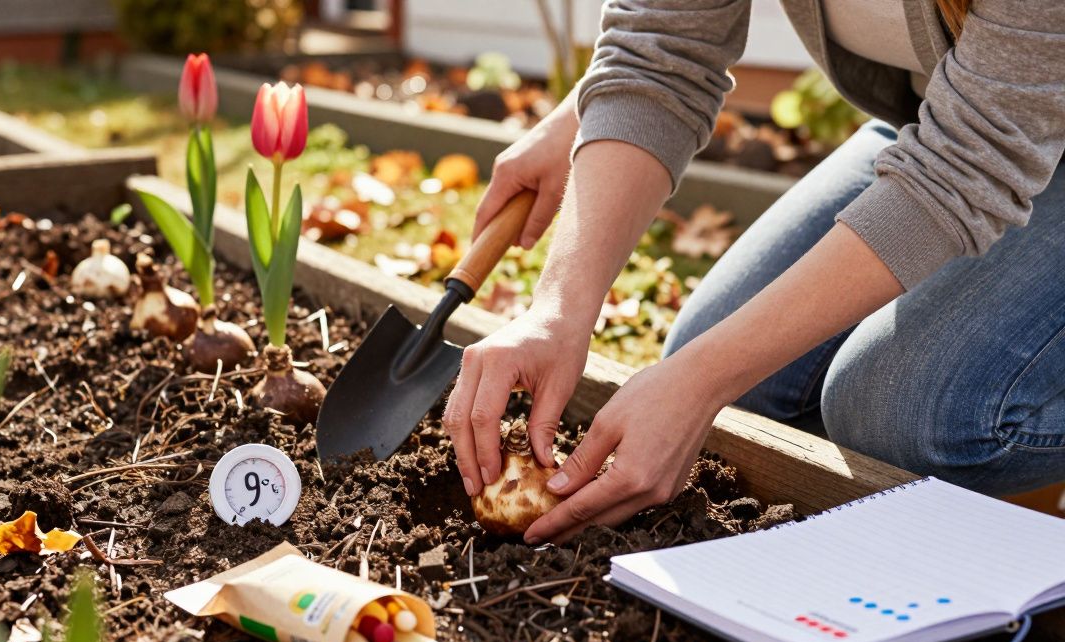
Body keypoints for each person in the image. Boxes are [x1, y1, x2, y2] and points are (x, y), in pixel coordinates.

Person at [445, 0, 1065, 545]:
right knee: (733, 386)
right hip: (948, 116)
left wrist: (698, 382)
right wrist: (558, 311)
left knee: (906, 412)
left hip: (989, 139)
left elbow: (970, 166)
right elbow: (660, 54)